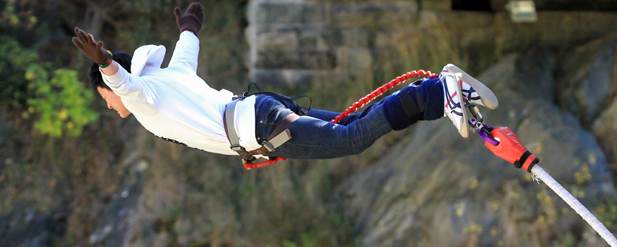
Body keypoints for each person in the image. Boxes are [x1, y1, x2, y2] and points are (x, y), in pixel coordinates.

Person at [71, 2, 498, 163]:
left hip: (260, 126)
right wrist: (189, 28)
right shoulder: (168, 77)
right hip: (259, 113)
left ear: (109, 88)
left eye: (103, 98)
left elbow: (125, 86)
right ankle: (443, 95)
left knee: (351, 138)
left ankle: (437, 92)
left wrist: (105, 62)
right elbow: (187, 49)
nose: (109, 105)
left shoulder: (141, 95)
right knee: (357, 122)